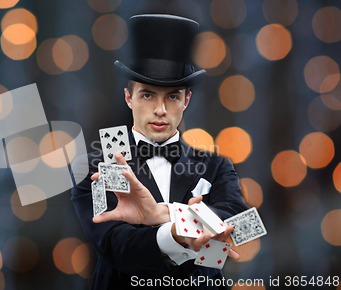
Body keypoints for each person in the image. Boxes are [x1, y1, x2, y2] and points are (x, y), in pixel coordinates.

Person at [71, 14, 249, 289]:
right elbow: (115, 246)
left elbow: (243, 225)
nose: (160, 110)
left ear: (186, 100)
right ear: (128, 97)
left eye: (173, 96)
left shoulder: (216, 165)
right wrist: (177, 233)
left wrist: (163, 215)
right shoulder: (98, 166)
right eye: (147, 95)